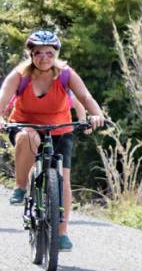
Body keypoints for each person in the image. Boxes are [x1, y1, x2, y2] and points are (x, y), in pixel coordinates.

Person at [1, 30, 107, 251]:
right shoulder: (20, 75)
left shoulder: (66, 74)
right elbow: (2, 99)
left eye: (49, 53)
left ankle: (61, 232)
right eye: (38, 53)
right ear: (30, 54)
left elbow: (85, 97)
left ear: (56, 54)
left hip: (59, 129)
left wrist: (96, 114)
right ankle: (20, 186)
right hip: (24, 125)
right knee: (28, 136)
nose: (44, 58)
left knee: (63, 179)